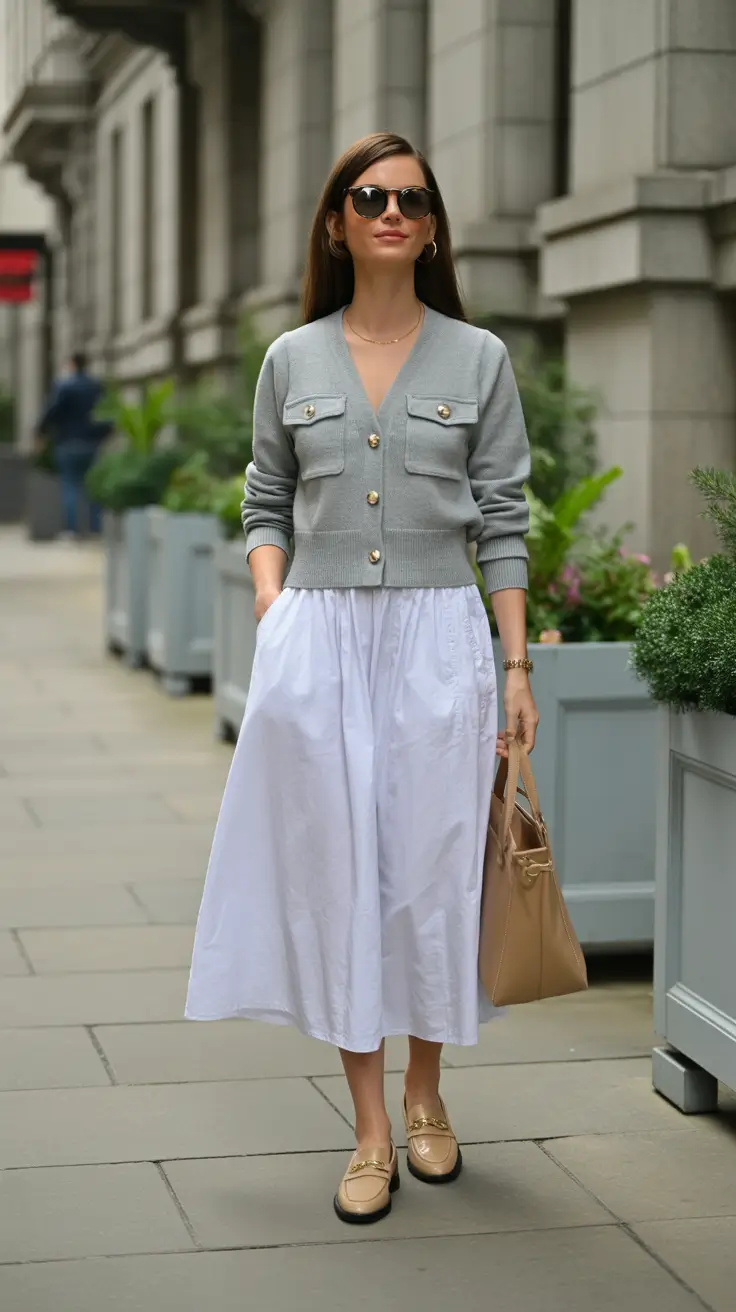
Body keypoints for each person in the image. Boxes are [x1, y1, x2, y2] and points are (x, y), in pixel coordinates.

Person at [186, 133, 539, 1224]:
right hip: (322, 640)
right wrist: (270, 599)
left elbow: (504, 517)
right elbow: (263, 497)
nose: (389, 210)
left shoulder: (476, 357)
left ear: (431, 228)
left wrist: (514, 662)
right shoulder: (291, 358)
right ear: (338, 222)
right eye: (367, 195)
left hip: (439, 634)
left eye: (410, 198)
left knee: (431, 871)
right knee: (339, 873)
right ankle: (369, 1127)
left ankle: (427, 1097)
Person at [36, 351, 109, 538]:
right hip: (91, 443)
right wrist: (102, 436)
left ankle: (72, 530)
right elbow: (107, 413)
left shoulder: (64, 386)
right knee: (92, 486)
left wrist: (41, 432)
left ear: (72, 364)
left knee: (69, 485)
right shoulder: (96, 387)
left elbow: (52, 412)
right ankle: (95, 529)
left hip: (67, 442)